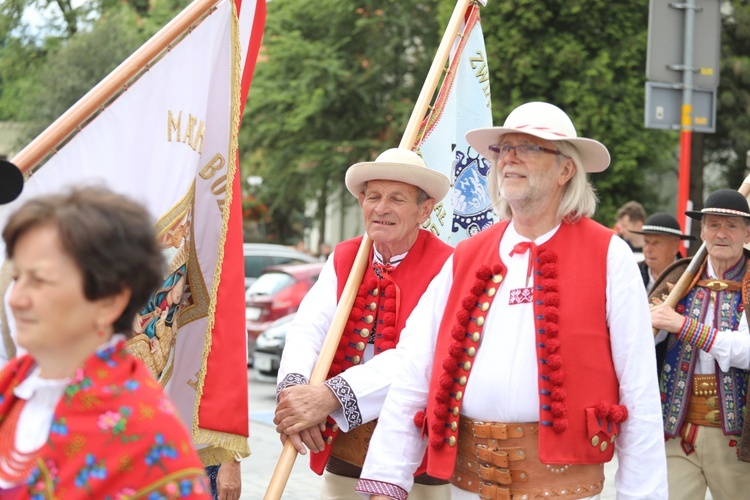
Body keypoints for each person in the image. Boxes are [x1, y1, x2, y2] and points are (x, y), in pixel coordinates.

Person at [355, 102, 667, 499]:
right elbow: (415, 368)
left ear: (566, 170)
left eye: (530, 147)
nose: (510, 157)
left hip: (562, 489)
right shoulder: (466, 256)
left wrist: (642, 495)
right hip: (470, 482)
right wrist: (388, 478)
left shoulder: (609, 253)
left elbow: (639, 388)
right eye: (504, 148)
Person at [0, 187, 210, 498]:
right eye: (17, 278)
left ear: (109, 301)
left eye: (40, 280)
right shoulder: (12, 386)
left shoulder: (148, 442)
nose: (15, 299)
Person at [273, 148, 454, 499]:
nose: (381, 208)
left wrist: (329, 396)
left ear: (425, 210)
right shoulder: (344, 257)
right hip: (347, 450)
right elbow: (307, 329)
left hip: (417, 458)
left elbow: (418, 358)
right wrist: (295, 395)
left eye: (397, 199)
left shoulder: (448, 265)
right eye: (373, 196)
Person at [650, 188, 750, 499]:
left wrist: (685, 326)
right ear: (701, 230)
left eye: (731, 226)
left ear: (748, 233)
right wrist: (650, 324)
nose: (721, 234)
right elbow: (646, 343)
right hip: (675, 431)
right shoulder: (678, 276)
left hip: (735, 437)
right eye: (713, 224)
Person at [629, 212, 695, 291]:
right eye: (646, 242)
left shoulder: (690, 277)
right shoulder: (632, 274)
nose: (648, 249)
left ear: (675, 245)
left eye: (656, 243)